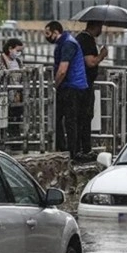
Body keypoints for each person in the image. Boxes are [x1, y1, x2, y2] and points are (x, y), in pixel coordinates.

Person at [44, 20, 88, 160]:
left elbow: (62, 70)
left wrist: (53, 86)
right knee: (61, 118)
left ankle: (70, 152)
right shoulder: (65, 42)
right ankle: (66, 149)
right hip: (71, 86)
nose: (46, 36)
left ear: (56, 32)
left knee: (69, 120)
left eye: (47, 33)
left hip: (71, 87)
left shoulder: (68, 43)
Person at [75, 21, 108, 160]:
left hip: (81, 83)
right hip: (85, 84)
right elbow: (91, 62)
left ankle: (81, 148)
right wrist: (102, 55)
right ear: (96, 27)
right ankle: (84, 149)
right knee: (85, 116)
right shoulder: (86, 40)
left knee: (83, 117)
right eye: (100, 26)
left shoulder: (81, 38)